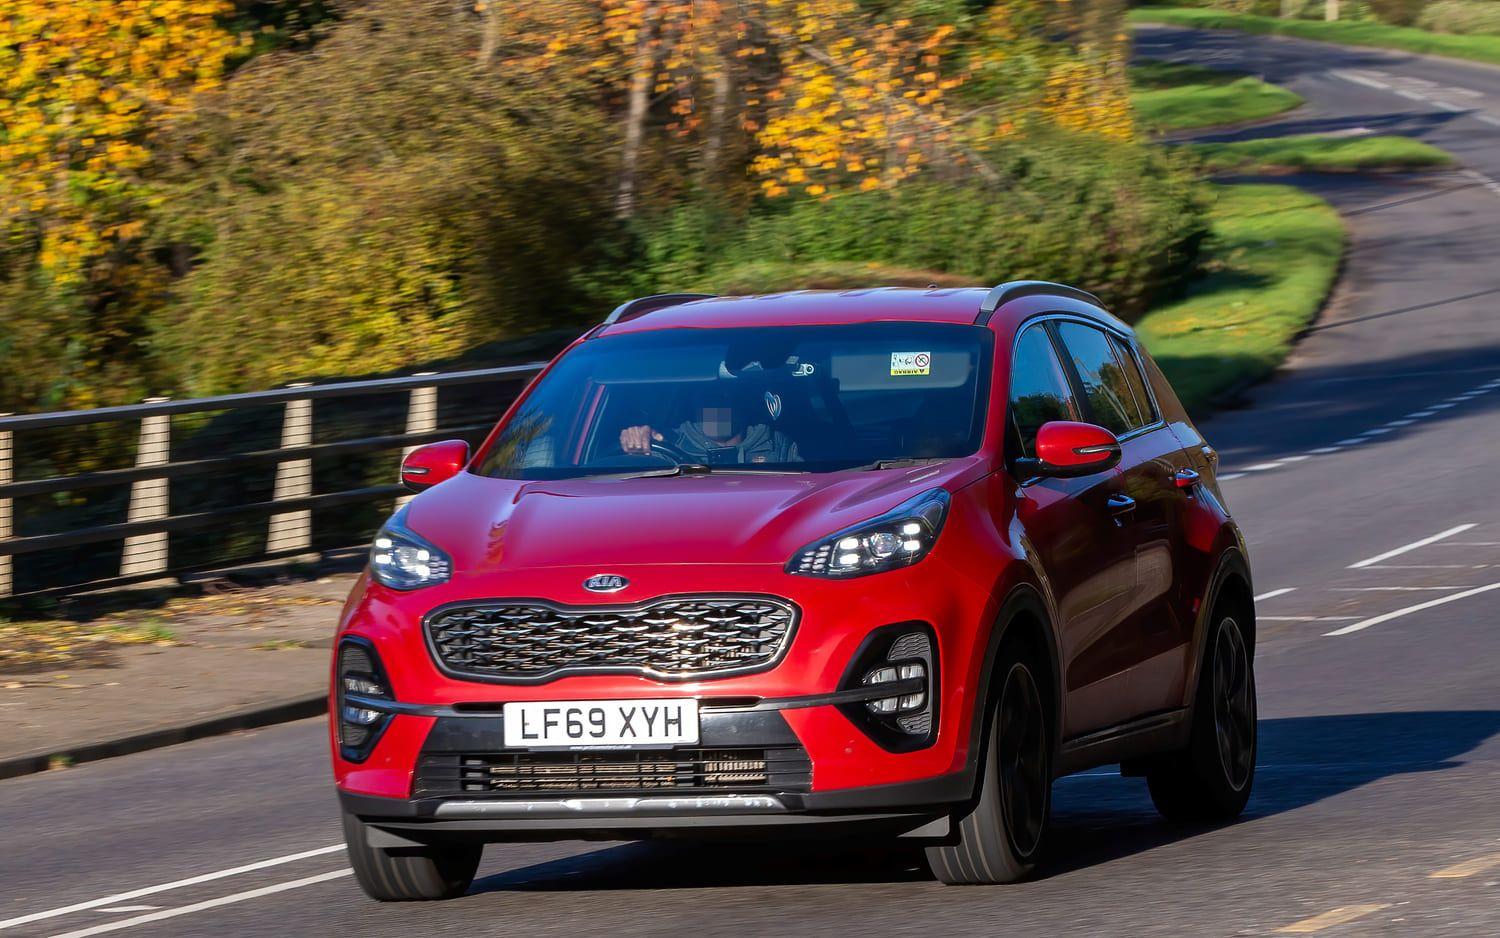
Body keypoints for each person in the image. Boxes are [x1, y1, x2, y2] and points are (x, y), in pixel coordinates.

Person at [620, 388, 800, 465]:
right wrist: (635, 442)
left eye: (724, 398)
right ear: (694, 407)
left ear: (742, 405)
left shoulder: (778, 446)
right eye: (707, 399)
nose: (715, 407)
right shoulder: (668, 443)